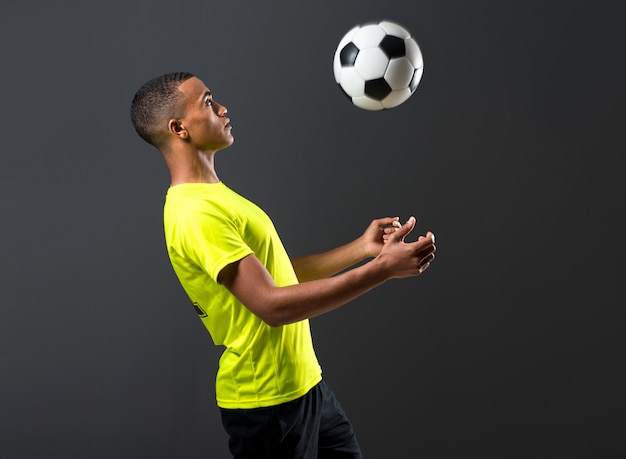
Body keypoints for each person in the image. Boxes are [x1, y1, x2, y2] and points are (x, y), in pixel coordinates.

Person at [130, 71, 436, 458]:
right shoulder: (195, 212)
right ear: (179, 128)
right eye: (208, 102)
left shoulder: (215, 197)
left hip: (305, 387)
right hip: (267, 406)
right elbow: (272, 305)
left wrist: (362, 249)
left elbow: (277, 274)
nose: (223, 108)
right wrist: (383, 271)